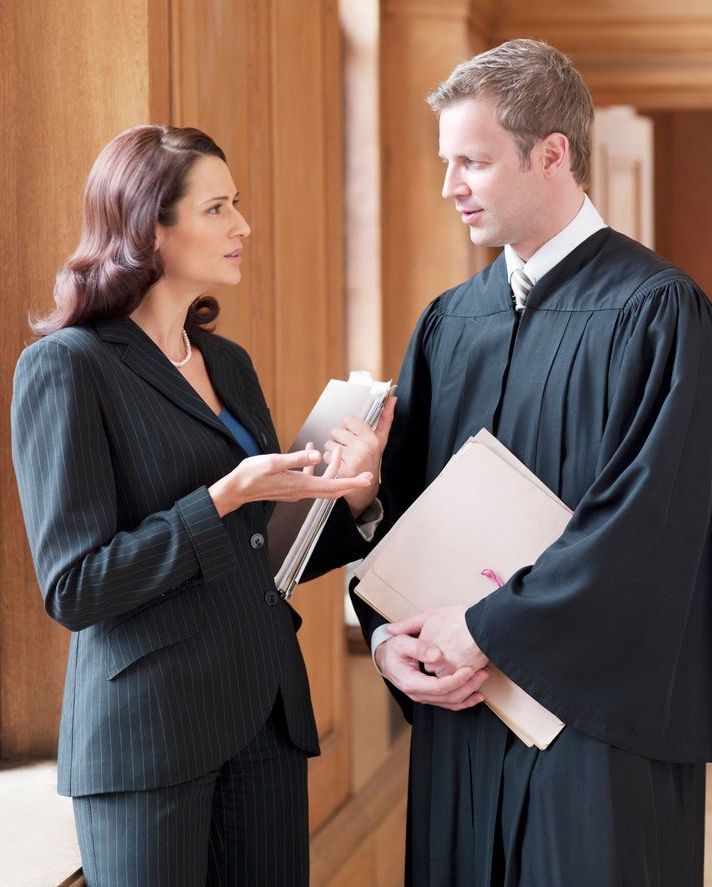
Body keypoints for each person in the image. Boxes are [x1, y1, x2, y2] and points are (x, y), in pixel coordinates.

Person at [350, 39, 712, 886]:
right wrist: (387, 640)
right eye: (446, 162)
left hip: (594, 728)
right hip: (463, 716)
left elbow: (648, 529)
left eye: (471, 162)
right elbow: (402, 508)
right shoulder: (450, 322)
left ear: (552, 154)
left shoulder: (658, 313)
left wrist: (485, 629)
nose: (449, 188)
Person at [11, 125, 390, 887]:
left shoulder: (228, 362)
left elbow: (262, 553)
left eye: (237, 203)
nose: (242, 225)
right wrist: (223, 497)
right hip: (148, 740)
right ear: (152, 227)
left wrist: (354, 495)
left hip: (265, 720)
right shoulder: (66, 367)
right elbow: (76, 586)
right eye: (217, 207)